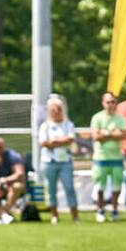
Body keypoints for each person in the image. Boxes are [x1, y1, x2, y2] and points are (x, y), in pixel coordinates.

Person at [36, 95, 81, 223]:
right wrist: (60, 141)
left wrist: (55, 141)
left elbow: (70, 139)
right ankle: (54, 215)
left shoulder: (68, 124)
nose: (56, 112)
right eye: (53, 110)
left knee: (69, 188)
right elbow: (43, 142)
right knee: (51, 190)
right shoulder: (45, 126)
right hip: (49, 162)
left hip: (65, 161)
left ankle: (75, 215)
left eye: (58, 109)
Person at [87, 92, 126, 222]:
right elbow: (96, 136)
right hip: (101, 158)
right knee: (100, 187)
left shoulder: (120, 118)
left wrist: (105, 134)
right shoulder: (97, 118)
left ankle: (115, 210)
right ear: (103, 103)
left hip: (116, 157)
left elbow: (122, 135)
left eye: (113, 102)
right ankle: (100, 209)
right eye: (108, 102)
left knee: (116, 186)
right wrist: (112, 133)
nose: (110, 105)